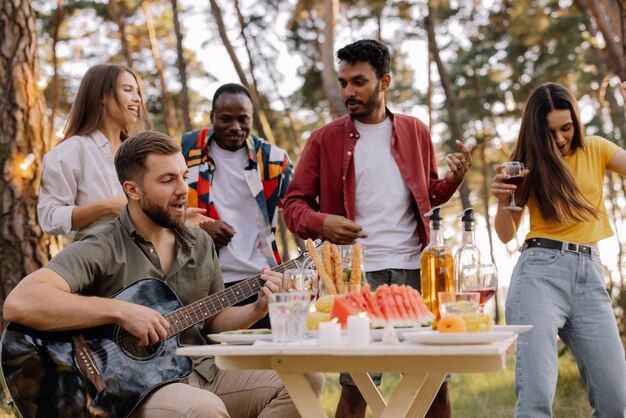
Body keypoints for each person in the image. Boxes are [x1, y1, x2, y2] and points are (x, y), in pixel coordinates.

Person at [4, 131, 324, 417]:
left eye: (184, 176)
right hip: (135, 389)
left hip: (201, 370)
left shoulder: (199, 241)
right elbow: (20, 302)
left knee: (306, 379)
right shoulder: (103, 245)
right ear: (133, 189)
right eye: (167, 180)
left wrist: (258, 308)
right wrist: (122, 311)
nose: (183, 190)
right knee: (203, 409)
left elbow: (213, 321)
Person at [283, 39, 472, 418]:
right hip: (357, 278)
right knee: (357, 391)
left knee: (435, 386)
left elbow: (426, 195)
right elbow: (293, 206)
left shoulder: (416, 131)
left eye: (359, 81)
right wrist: (324, 223)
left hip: (417, 272)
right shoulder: (324, 139)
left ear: (384, 81)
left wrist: (454, 180)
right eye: (343, 82)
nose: (348, 92)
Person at [491, 82, 626, 417]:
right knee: (536, 401)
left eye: (566, 128)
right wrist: (502, 202)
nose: (561, 139)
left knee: (617, 401)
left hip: (589, 275)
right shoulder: (524, 164)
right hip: (539, 274)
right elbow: (506, 234)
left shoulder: (596, 148)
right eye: (550, 132)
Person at [37, 63, 209, 240]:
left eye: (137, 92)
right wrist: (107, 206)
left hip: (149, 258)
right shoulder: (69, 152)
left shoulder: (142, 152)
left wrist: (176, 218)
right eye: (128, 90)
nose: (137, 99)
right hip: (98, 259)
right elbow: (50, 218)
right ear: (102, 96)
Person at [181, 83, 293, 328]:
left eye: (243, 119)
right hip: (204, 283)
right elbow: (158, 207)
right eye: (225, 119)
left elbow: (298, 209)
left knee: (276, 360)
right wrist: (199, 227)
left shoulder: (272, 158)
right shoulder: (184, 150)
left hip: (261, 278)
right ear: (212, 117)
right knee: (214, 363)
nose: (235, 127)